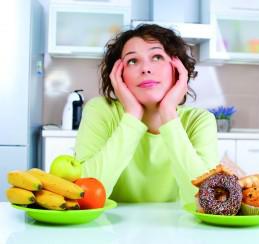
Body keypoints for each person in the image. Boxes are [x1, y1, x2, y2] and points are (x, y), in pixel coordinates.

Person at [75, 24, 218, 204]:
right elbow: (84, 196)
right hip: (109, 228)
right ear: (119, 75)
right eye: (133, 61)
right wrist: (132, 116)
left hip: (181, 229)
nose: (145, 69)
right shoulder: (100, 110)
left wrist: (168, 114)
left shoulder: (199, 120)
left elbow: (208, 202)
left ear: (177, 69)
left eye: (157, 57)